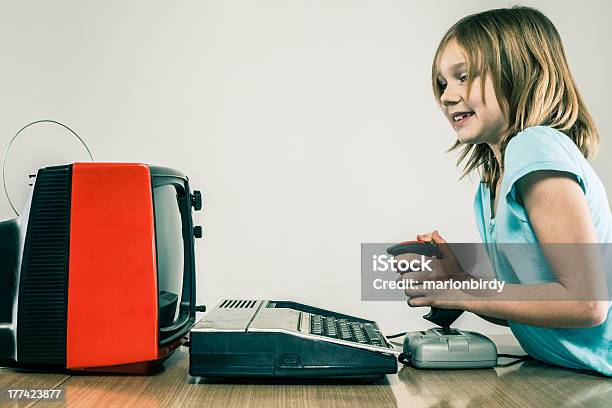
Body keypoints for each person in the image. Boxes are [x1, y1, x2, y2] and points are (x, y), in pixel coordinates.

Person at [396, 6, 611, 376]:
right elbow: (537, 310)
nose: (448, 96)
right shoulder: (492, 179)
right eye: (442, 84)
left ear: (520, 73)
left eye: (463, 77)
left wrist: (461, 293)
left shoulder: (534, 146)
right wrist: (461, 282)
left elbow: (586, 302)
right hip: (564, 373)